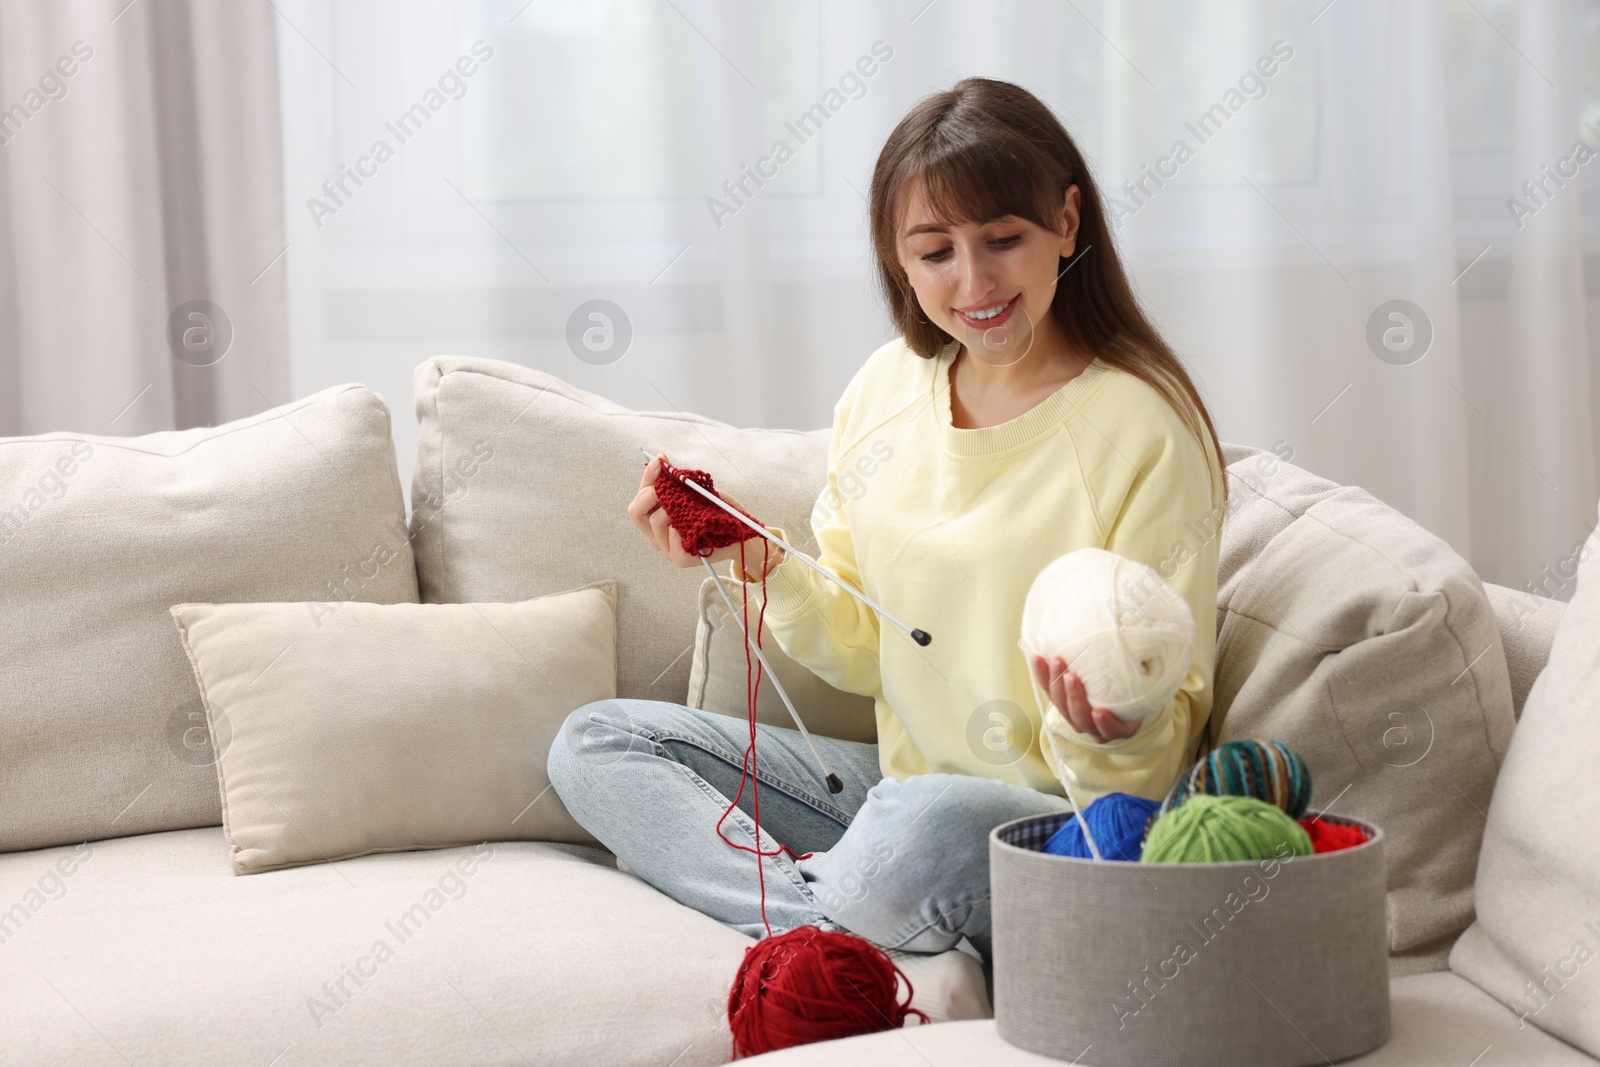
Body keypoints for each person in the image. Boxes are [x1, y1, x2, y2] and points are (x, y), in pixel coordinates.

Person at [546, 77, 1227, 971]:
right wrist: (764, 564)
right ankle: (831, 924)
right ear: (896, 259)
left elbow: (1167, 730)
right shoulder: (885, 390)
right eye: (935, 251)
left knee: (924, 819)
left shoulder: (1142, 428)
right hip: (898, 793)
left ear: (1066, 222)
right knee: (598, 739)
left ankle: (828, 919)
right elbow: (870, 649)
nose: (973, 283)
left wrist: (1111, 729)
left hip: (1050, 820)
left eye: (1003, 241)